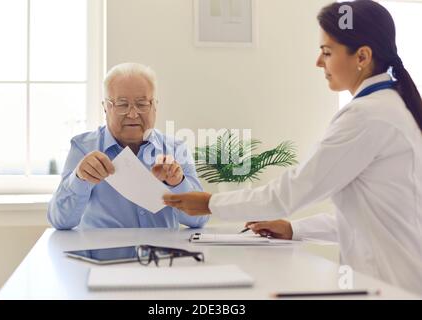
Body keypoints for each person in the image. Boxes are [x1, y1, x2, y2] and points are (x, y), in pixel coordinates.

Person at [163, 0, 422, 294]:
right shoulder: (391, 106)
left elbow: (293, 190)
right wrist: (294, 229)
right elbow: (366, 217)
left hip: (394, 285)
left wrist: (210, 203)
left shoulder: (368, 115)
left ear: (362, 56)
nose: (318, 62)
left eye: (326, 52)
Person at [48, 62, 209, 230]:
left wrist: (178, 183)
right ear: (105, 107)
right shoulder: (83, 148)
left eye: (142, 104)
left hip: (162, 254)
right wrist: (79, 178)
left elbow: (200, 220)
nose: (133, 114)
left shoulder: (176, 149)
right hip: (104, 254)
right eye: (122, 104)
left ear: (155, 106)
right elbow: (60, 220)